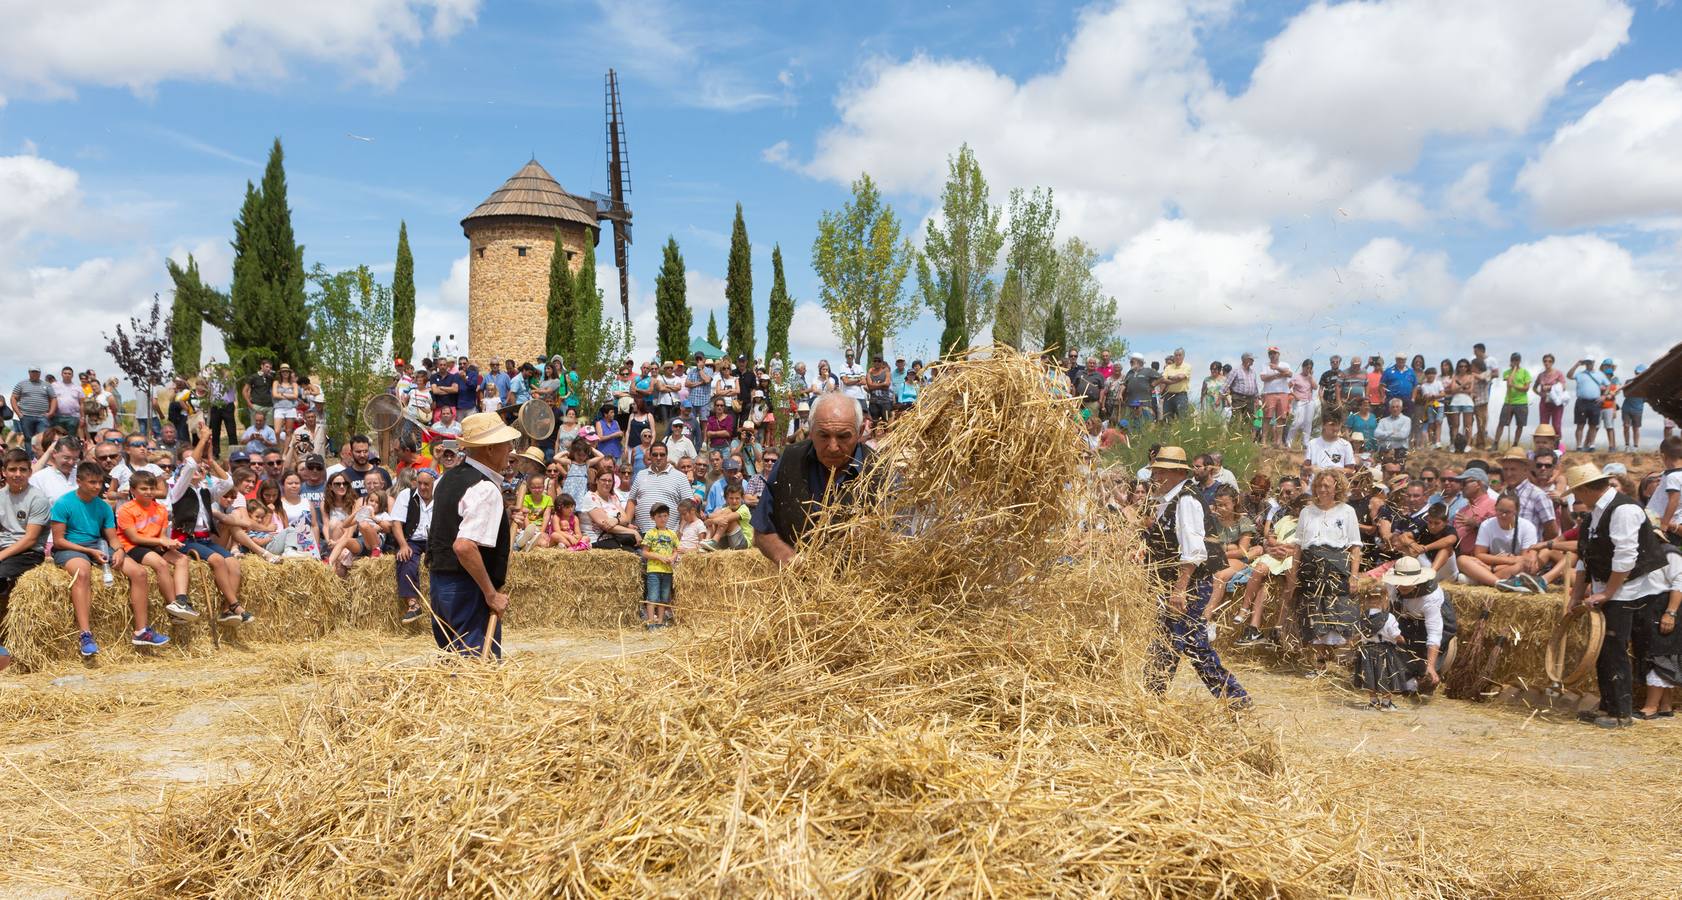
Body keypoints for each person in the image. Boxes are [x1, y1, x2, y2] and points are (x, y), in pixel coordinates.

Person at [1566, 462, 1674, 729]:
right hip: (1614, 588)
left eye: (1577, 492)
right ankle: (1608, 706)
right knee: (1604, 647)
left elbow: (1626, 557)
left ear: (1585, 489)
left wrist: (1608, 593)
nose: (1576, 498)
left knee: (1614, 646)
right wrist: (1575, 596)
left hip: (1633, 588)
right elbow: (1584, 558)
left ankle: (1621, 713)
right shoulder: (1592, 516)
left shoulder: (1624, 510)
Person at [1140, 446, 1250, 707]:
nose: (1154, 475)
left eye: (1160, 471)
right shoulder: (1168, 498)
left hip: (1188, 586)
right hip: (1174, 585)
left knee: (1194, 645)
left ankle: (1235, 697)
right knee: (1166, 640)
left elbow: (1193, 550)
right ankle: (1152, 694)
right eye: (1154, 470)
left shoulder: (1186, 500)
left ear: (1177, 473)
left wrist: (1179, 589)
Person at [427, 412, 517, 658]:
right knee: (475, 670)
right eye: (506, 444)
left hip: (440, 585)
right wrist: (491, 594)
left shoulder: (447, 478)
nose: (510, 449)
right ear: (489, 449)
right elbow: (464, 546)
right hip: (468, 588)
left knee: (453, 664)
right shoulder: (485, 487)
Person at [751, 392, 872, 566]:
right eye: (823, 435)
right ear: (811, 430)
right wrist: (791, 560)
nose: (832, 447)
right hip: (797, 587)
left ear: (860, 431)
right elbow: (762, 529)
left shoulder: (880, 472)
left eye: (843, 436)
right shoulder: (789, 461)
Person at [169, 428, 250, 624]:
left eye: (200, 469)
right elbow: (189, 466)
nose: (197, 469)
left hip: (205, 539)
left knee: (233, 563)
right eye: (193, 469)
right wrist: (203, 438)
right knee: (217, 559)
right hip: (186, 539)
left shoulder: (206, 491)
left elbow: (227, 482)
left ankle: (226, 610)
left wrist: (212, 461)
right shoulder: (179, 490)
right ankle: (234, 604)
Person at [49, 462, 130, 657]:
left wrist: (119, 551)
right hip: (71, 547)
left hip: (96, 545)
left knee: (139, 572)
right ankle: (85, 634)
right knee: (82, 573)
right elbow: (59, 541)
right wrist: (89, 551)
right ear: (79, 481)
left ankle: (141, 630)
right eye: (92, 482)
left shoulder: (103, 506)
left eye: (100, 482)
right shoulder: (63, 503)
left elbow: (113, 538)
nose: (97, 486)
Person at [1295, 469, 1361, 677]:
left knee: (1338, 614)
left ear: (1337, 488)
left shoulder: (1347, 511)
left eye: (1327, 486)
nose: (1322, 489)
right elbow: (1298, 545)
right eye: (1319, 485)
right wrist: (1293, 571)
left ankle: (1343, 667)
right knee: (1314, 614)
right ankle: (1319, 665)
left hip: (1337, 567)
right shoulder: (1307, 511)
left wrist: (1354, 576)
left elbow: (1355, 546)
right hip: (1310, 567)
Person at [113, 470, 184, 649]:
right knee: (160, 563)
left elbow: (161, 535)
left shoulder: (161, 509)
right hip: (132, 546)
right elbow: (134, 538)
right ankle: (173, 605)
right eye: (143, 488)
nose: (148, 492)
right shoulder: (126, 509)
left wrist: (168, 544)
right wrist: (161, 541)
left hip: (153, 544)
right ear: (133, 490)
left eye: (152, 488)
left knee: (182, 559)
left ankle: (182, 599)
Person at [0, 449, 51, 659]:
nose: (17, 474)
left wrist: (1, 556)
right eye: (12, 469)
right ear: (3, 472)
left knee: (0, 576)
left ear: (30, 472)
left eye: (22, 469)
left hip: (28, 552)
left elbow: (30, 539)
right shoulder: (1, 496)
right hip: (4, 548)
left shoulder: (37, 499)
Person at [1458, 493, 1543, 592]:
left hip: (1508, 567)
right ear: (1495, 507)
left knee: (1524, 566)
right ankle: (1500, 582)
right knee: (1462, 559)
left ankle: (1483, 579)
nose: (1502, 515)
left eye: (1507, 512)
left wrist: (1493, 567)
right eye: (1499, 511)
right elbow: (1479, 554)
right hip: (1494, 566)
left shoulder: (1527, 527)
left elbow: (1525, 560)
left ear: (1516, 511)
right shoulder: (1487, 525)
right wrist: (1508, 560)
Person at [1635, 549, 1681, 720]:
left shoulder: (1668, 553)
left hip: (1662, 605)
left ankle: (1651, 707)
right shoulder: (1641, 552)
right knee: (1658, 653)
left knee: (1658, 655)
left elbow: (1680, 581)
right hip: (1647, 606)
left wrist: (1671, 612)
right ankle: (1665, 705)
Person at [391, 468, 436, 625]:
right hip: (413, 540)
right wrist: (403, 545)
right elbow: (396, 523)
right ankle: (413, 605)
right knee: (405, 558)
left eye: (427, 484)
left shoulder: (442, 496)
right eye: (420, 483)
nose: (423, 487)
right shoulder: (406, 495)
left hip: (435, 540)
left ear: (434, 485)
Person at [1351, 596, 1407, 711]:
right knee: (1385, 675)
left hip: (1366, 650)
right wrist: (1403, 641)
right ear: (1383, 601)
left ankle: (1373, 702)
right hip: (1384, 650)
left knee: (1370, 676)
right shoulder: (1389, 617)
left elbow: (1357, 635)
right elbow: (1395, 635)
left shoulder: (1363, 617)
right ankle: (1386, 704)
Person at [641, 503, 678, 629]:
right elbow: (645, 552)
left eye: (665, 516)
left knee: (664, 597)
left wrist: (673, 558)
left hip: (667, 571)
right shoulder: (650, 534)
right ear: (653, 518)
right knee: (652, 596)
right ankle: (651, 622)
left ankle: (660, 621)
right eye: (659, 516)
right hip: (654, 570)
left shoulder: (672, 534)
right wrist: (659, 557)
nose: (663, 519)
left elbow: (675, 549)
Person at [1492, 353, 1532, 450]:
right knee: (1502, 423)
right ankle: (1496, 443)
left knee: (1520, 424)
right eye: (1514, 360)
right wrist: (1514, 370)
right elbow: (1509, 380)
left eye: (1517, 360)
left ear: (1519, 361)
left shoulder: (1525, 372)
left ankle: (1515, 444)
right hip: (1509, 401)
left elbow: (1526, 388)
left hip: (1521, 402)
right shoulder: (1507, 372)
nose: (1515, 362)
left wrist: (1515, 386)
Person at [1648, 436, 1682, 547]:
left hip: (1665, 525)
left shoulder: (1673, 476)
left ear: (1663, 456)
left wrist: (1664, 525)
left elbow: (1673, 500)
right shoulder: (1674, 474)